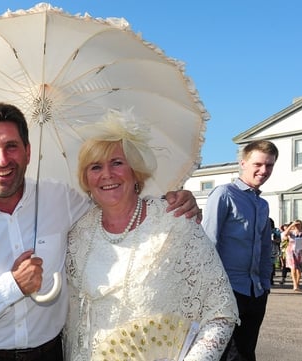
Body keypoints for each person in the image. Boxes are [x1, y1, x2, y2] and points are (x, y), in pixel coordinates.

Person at [0, 102, 200, 361]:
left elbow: (115, 205)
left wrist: (167, 204)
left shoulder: (61, 198)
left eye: (11, 146)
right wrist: (12, 285)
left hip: (51, 354)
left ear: (28, 151)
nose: (2, 160)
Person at [64, 109, 238, 361]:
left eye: (117, 162)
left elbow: (221, 312)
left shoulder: (175, 221)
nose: (107, 174)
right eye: (95, 167)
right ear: (86, 179)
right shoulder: (78, 233)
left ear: (135, 170)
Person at [202, 139, 279, 361]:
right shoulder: (224, 194)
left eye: (270, 165)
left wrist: (265, 286)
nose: (264, 170)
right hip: (228, 291)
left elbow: (265, 250)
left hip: (256, 292)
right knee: (227, 355)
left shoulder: (263, 205)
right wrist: (212, 292)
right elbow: (209, 242)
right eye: (258, 164)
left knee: (246, 353)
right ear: (243, 163)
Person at [282, 220, 302, 292]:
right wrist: (291, 225)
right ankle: (295, 284)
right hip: (291, 251)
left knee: (299, 269)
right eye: (296, 224)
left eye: (299, 224)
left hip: (300, 251)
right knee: (293, 267)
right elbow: (284, 234)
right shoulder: (291, 232)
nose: (297, 226)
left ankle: (297, 284)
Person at [269, 218, 281, 285]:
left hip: (273, 249)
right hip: (264, 249)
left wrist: (274, 240)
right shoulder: (262, 229)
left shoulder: (276, 231)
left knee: (271, 264)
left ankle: (271, 279)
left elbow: (279, 240)